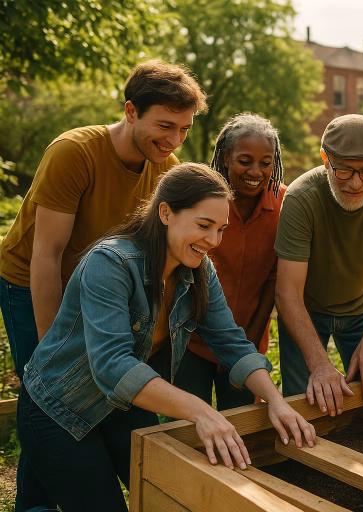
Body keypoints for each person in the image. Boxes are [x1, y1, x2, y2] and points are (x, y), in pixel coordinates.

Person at [17, 163, 316, 512]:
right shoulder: (110, 263)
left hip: (122, 405)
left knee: (170, 492)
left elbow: (230, 341)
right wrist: (201, 411)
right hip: (59, 406)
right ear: (165, 213)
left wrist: (274, 399)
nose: (214, 240)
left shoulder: (200, 269)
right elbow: (112, 365)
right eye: (203, 226)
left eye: (220, 229)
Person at [0, 59, 206, 511]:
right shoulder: (75, 152)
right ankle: (33, 503)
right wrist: (54, 351)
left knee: (75, 396)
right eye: (165, 126)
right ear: (131, 111)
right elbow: (46, 256)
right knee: (50, 394)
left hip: (97, 288)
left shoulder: (166, 169)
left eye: (185, 130)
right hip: (30, 281)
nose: (174, 141)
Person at [274, 114, 363, 415]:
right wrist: (319, 364)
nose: (356, 183)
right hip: (307, 310)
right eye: (344, 171)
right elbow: (287, 292)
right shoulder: (301, 198)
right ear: (325, 159)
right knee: (303, 407)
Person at [171, 113, 287, 410]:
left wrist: (246, 343)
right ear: (224, 157)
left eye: (266, 162)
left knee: (242, 423)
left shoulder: (285, 205)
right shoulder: (203, 200)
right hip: (192, 340)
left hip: (248, 339)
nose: (256, 171)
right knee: (186, 427)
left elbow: (274, 283)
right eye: (245, 160)